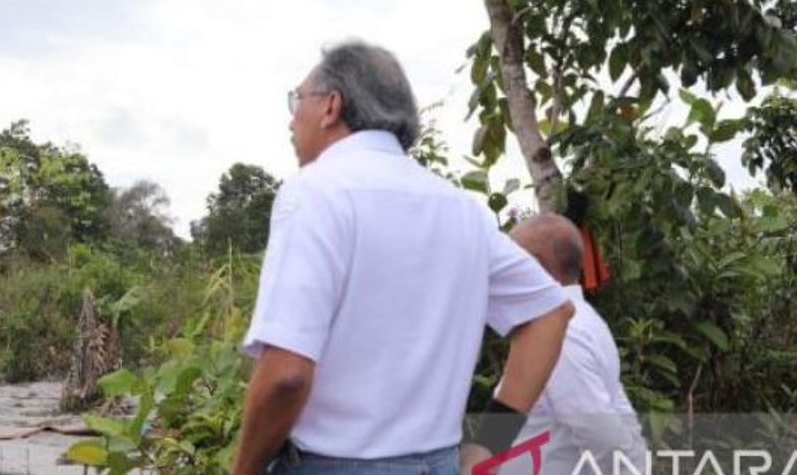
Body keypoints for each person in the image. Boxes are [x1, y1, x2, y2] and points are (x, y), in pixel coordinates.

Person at [230, 40, 575, 475]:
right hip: (440, 463)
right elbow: (551, 313)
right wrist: (489, 447)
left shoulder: (317, 192)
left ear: (331, 106)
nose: (291, 118)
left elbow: (286, 375)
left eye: (297, 100)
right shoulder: (460, 209)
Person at [498, 214, 648, 475]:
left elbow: (602, 438)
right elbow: (618, 410)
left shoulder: (563, 335)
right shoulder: (582, 321)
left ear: (535, 265)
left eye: (510, 261)